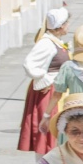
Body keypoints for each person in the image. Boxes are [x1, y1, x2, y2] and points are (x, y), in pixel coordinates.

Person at [19, 8, 72, 155]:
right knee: (47, 130)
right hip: (48, 93)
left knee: (55, 129)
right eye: (67, 23)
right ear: (61, 25)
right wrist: (44, 80)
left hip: (56, 90)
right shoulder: (47, 43)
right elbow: (30, 64)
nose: (68, 25)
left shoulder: (55, 42)